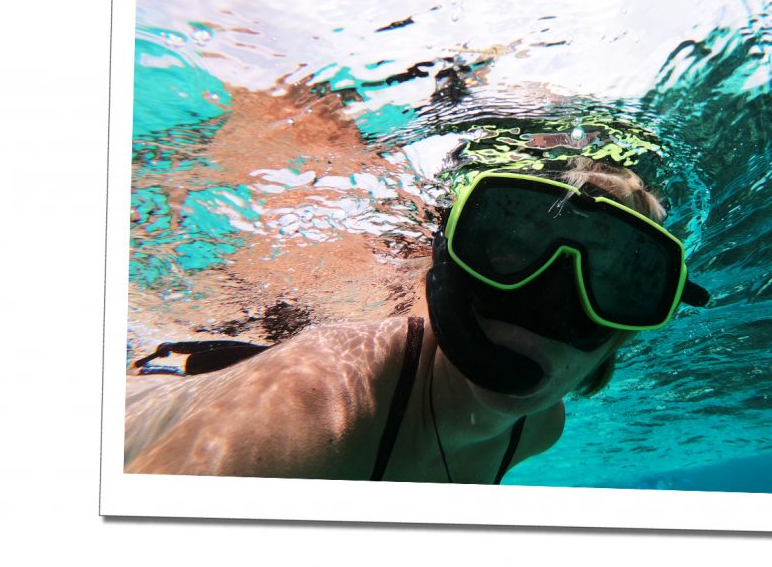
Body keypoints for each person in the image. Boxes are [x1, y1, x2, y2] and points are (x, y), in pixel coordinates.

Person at [124, 158, 709, 483]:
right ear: (450, 265)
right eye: (508, 247)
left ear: (623, 337)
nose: (551, 303)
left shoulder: (540, 427)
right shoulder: (317, 403)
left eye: (618, 281)